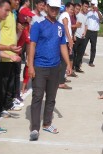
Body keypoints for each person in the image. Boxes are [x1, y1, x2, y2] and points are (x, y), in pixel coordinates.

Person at [28, 0, 72, 141]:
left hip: (55, 67)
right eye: (52, 8)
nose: (54, 10)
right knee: (37, 97)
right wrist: (30, 65)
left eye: (56, 8)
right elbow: (32, 45)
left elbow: (63, 46)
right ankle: (35, 128)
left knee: (51, 98)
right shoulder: (38, 25)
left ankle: (47, 123)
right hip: (40, 67)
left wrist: (68, 63)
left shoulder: (60, 27)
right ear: (46, 8)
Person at [0, 0, 22, 118]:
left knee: (9, 84)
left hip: (12, 56)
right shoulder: (3, 16)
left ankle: (6, 104)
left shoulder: (12, 15)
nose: (18, 2)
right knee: (2, 85)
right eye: (15, 0)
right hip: (4, 56)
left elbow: (11, 34)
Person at [58, 2, 74, 90]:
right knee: (64, 61)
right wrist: (70, 40)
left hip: (64, 40)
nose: (72, 11)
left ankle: (61, 78)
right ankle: (61, 82)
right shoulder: (65, 15)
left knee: (62, 61)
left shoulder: (65, 15)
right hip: (64, 41)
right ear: (67, 8)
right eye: (71, 9)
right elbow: (65, 27)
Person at [83, 0, 103, 67]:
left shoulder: (98, 12)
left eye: (93, 4)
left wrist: (97, 11)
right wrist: (90, 9)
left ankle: (91, 61)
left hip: (94, 32)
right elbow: (84, 12)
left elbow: (101, 18)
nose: (92, 5)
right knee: (83, 45)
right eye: (91, 4)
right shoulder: (88, 11)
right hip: (87, 31)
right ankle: (79, 60)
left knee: (93, 47)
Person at [72, 0, 89, 73]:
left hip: (82, 37)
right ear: (81, 6)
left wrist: (85, 32)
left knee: (80, 53)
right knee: (74, 52)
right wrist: (74, 35)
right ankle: (72, 67)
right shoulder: (77, 14)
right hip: (76, 36)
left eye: (87, 7)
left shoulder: (86, 16)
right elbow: (74, 24)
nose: (86, 8)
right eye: (85, 6)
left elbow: (86, 25)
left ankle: (77, 67)